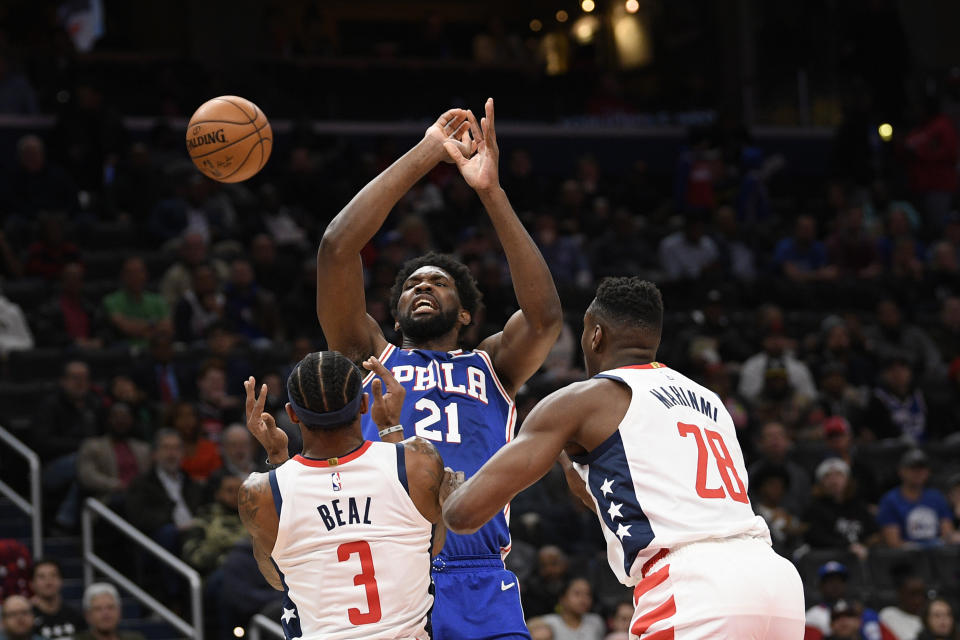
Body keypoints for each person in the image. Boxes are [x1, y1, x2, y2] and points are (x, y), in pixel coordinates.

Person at [316, 101, 562, 640]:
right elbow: (337, 248)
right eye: (410, 284)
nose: (421, 286)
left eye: (438, 282)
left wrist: (490, 192)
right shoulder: (369, 353)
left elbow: (544, 317)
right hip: (393, 569)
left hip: (481, 576)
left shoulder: (494, 363)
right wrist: (429, 151)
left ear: (467, 312)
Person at [443, 276, 805, 637]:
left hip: (695, 585)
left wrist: (429, 471)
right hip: (775, 578)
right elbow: (621, 496)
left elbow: (463, 514)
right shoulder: (709, 400)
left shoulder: (583, 399)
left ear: (595, 335)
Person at [239, 351, 461, 640]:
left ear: (292, 414)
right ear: (365, 404)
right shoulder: (420, 462)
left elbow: (278, 578)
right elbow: (428, 548)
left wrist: (278, 457)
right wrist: (390, 427)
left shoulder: (261, 493)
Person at [876, 449, 958, 548]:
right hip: (905, 559)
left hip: (938, 556)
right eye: (913, 468)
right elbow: (893, 542)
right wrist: (917, 548)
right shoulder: (890, 500)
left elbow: (947, 533)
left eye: (922, 468)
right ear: (901, 471)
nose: (918, 472)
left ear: (928, 472)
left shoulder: (936, 497)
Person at [29, 560, 84, 640]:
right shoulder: (27, 618)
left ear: (61, 581)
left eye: (53, 575)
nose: (48, 581)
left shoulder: (75, 615)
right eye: (42, 577)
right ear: (32, 584)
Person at [540, 577, 606, 640]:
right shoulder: (548, 623)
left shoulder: (596, 622)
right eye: (577, 594)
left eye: (588, 594)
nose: (583, 599)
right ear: (562, 599)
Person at [73, 583, 145, 640]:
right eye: (98, 609)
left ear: (119, 612)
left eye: (110, 607)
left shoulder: (136, 638)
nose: (105, 613)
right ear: (88, 615)